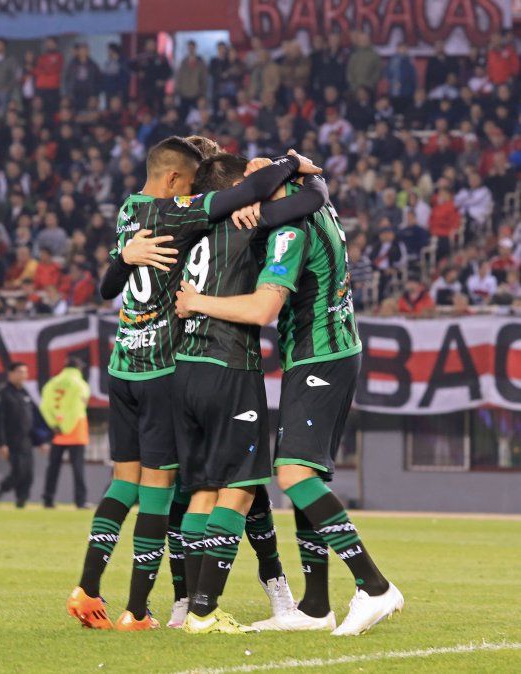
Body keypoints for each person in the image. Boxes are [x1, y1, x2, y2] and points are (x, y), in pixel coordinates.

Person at [66, 137, 321, 631]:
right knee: (219, 487)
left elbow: (105, 286)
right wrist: (293, 170)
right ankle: (153, 608)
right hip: (176, 365)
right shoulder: (191, 213)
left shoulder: (130, 212)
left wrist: (123, 256)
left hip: (127, 367)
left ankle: (96, 588)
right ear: (179, 182)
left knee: (156, 484)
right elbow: (277, 195)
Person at [175, 160, 404, 636]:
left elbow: (262, 309)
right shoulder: (314, 200)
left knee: (293, 473)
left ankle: (375, 585)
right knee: (306, 473)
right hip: (326, 350)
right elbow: (313, 184)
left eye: (254, 186)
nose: (246, 195)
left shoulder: (289, 231)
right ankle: (316, 605)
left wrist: (197, 302)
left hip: (320, 355)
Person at [170, 154, 326, 634]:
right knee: (238, 489)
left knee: (203, 490)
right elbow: (314, 198)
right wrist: (292, 166)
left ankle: (186, 608)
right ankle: (203, 611)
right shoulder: (249, 225)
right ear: (241, 189)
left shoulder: (186, 222)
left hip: (183, 367)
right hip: (228, 366)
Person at [40, 357, 90, 509]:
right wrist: (67, 427)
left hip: (57, 431)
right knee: (78, 468)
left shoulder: (52, 383)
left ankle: (48, 499)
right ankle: (80, 502)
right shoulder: (80, 384)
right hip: (75, 430)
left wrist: (55, 425)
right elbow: (76, 408)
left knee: (53, 467)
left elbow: (44, 406)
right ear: (79, 369)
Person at [0, 362, 37, 508]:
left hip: (26, 440)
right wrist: (1, 443)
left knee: (28, 473)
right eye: (20, 372)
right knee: (18, 471)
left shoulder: (24, 393)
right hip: (11, 440)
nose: (24, 375)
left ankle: (21, 501)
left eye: (25, 372)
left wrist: (40, 440)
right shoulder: (2, 393)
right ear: (11, 374)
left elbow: (31, 417)